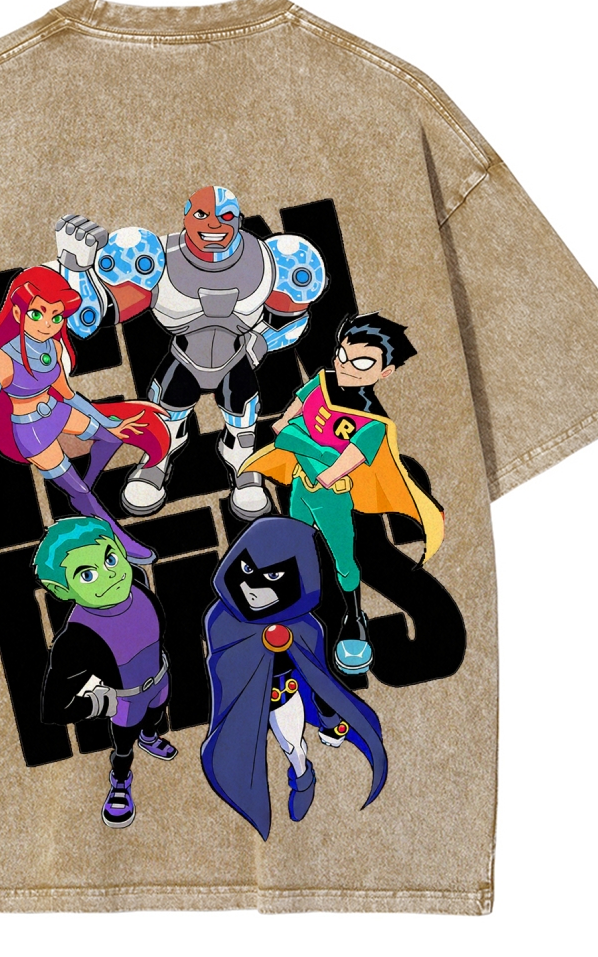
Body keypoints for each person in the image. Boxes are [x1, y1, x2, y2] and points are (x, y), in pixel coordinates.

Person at [50, 186, 327, 521]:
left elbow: (297, 317)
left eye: (225, 216)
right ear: (186, 216)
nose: (213, 226)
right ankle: (156, 461)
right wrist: (74, 268)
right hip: (184, 360)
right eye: (202, 215)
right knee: (167, 419)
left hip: (235, 359)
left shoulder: (273, 260)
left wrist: (262, 342)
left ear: (239, 220)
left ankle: (244, 466)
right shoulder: (153, 258)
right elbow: (90, 319)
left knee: (242, 421)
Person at [242, 314, 445, 682]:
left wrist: (297, 439)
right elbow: (295, 410)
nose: (346, 365)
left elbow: (332, 469)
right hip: (300, 486)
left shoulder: (372, 423)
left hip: (332, 498)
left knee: (344, 561)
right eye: (342, 354)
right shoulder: (324, 380)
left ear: (385, 372)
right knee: (292, 545)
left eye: (363, 362)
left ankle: (353, 617)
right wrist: (290, 425)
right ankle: (289, 608)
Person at [0, 265, 168, 564]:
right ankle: (120, 539)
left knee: (112, 436)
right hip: (31, 433)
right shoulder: (2, 360)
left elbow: (67, 394)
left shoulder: (53, 345)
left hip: (58, 411)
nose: (47, 325)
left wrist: (109, 423)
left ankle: (85, 485)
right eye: (37, 314)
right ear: (18, 313)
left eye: (56, 317)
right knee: (81, 492)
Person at [201, 517, 387, 840]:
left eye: (273, 576)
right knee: (239, 750)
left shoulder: (305, 626)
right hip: (243, 702)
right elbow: (221, 664)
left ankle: (303, 778)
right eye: (247, 569)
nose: (252, 586)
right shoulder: (219, 619)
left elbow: (316, 674)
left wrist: (326, 711)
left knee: (293, 746)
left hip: (282, 696)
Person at [35, 516, 177, 829]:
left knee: (155, 717)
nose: (110, 575)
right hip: (126, 700)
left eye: (110, 558)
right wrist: (103, 703)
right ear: (61, 589)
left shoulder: (136, 580)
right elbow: (54, 707)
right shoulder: (76, 638)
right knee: (123, 747)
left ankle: (149, 737)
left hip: (160, 679)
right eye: (87, 574)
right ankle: (120, 781)